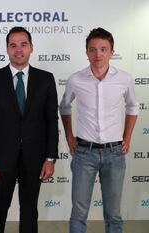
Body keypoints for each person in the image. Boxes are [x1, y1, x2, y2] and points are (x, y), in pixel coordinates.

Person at [0, 26, 59, 233]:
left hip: (35, 158)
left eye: (23, 44)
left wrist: (50, 158)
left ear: (31, 47)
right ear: (7, 49)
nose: (18, 50)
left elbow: (51, 120)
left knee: (30, 210)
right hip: (0, 158)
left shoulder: (46, 79)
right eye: (13, 45)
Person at [60, 27, 138, 233]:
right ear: (86, 52)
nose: (98, 54)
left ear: (112, 51)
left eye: (103, 49)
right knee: (79, 213)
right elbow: (64, 106)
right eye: (93, 49)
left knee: (113, 214)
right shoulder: (76, 79)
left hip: (115, 153)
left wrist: (127, 137)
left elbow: (133, 106)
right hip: (84, 152)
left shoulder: (124, 78)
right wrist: (69, 137)